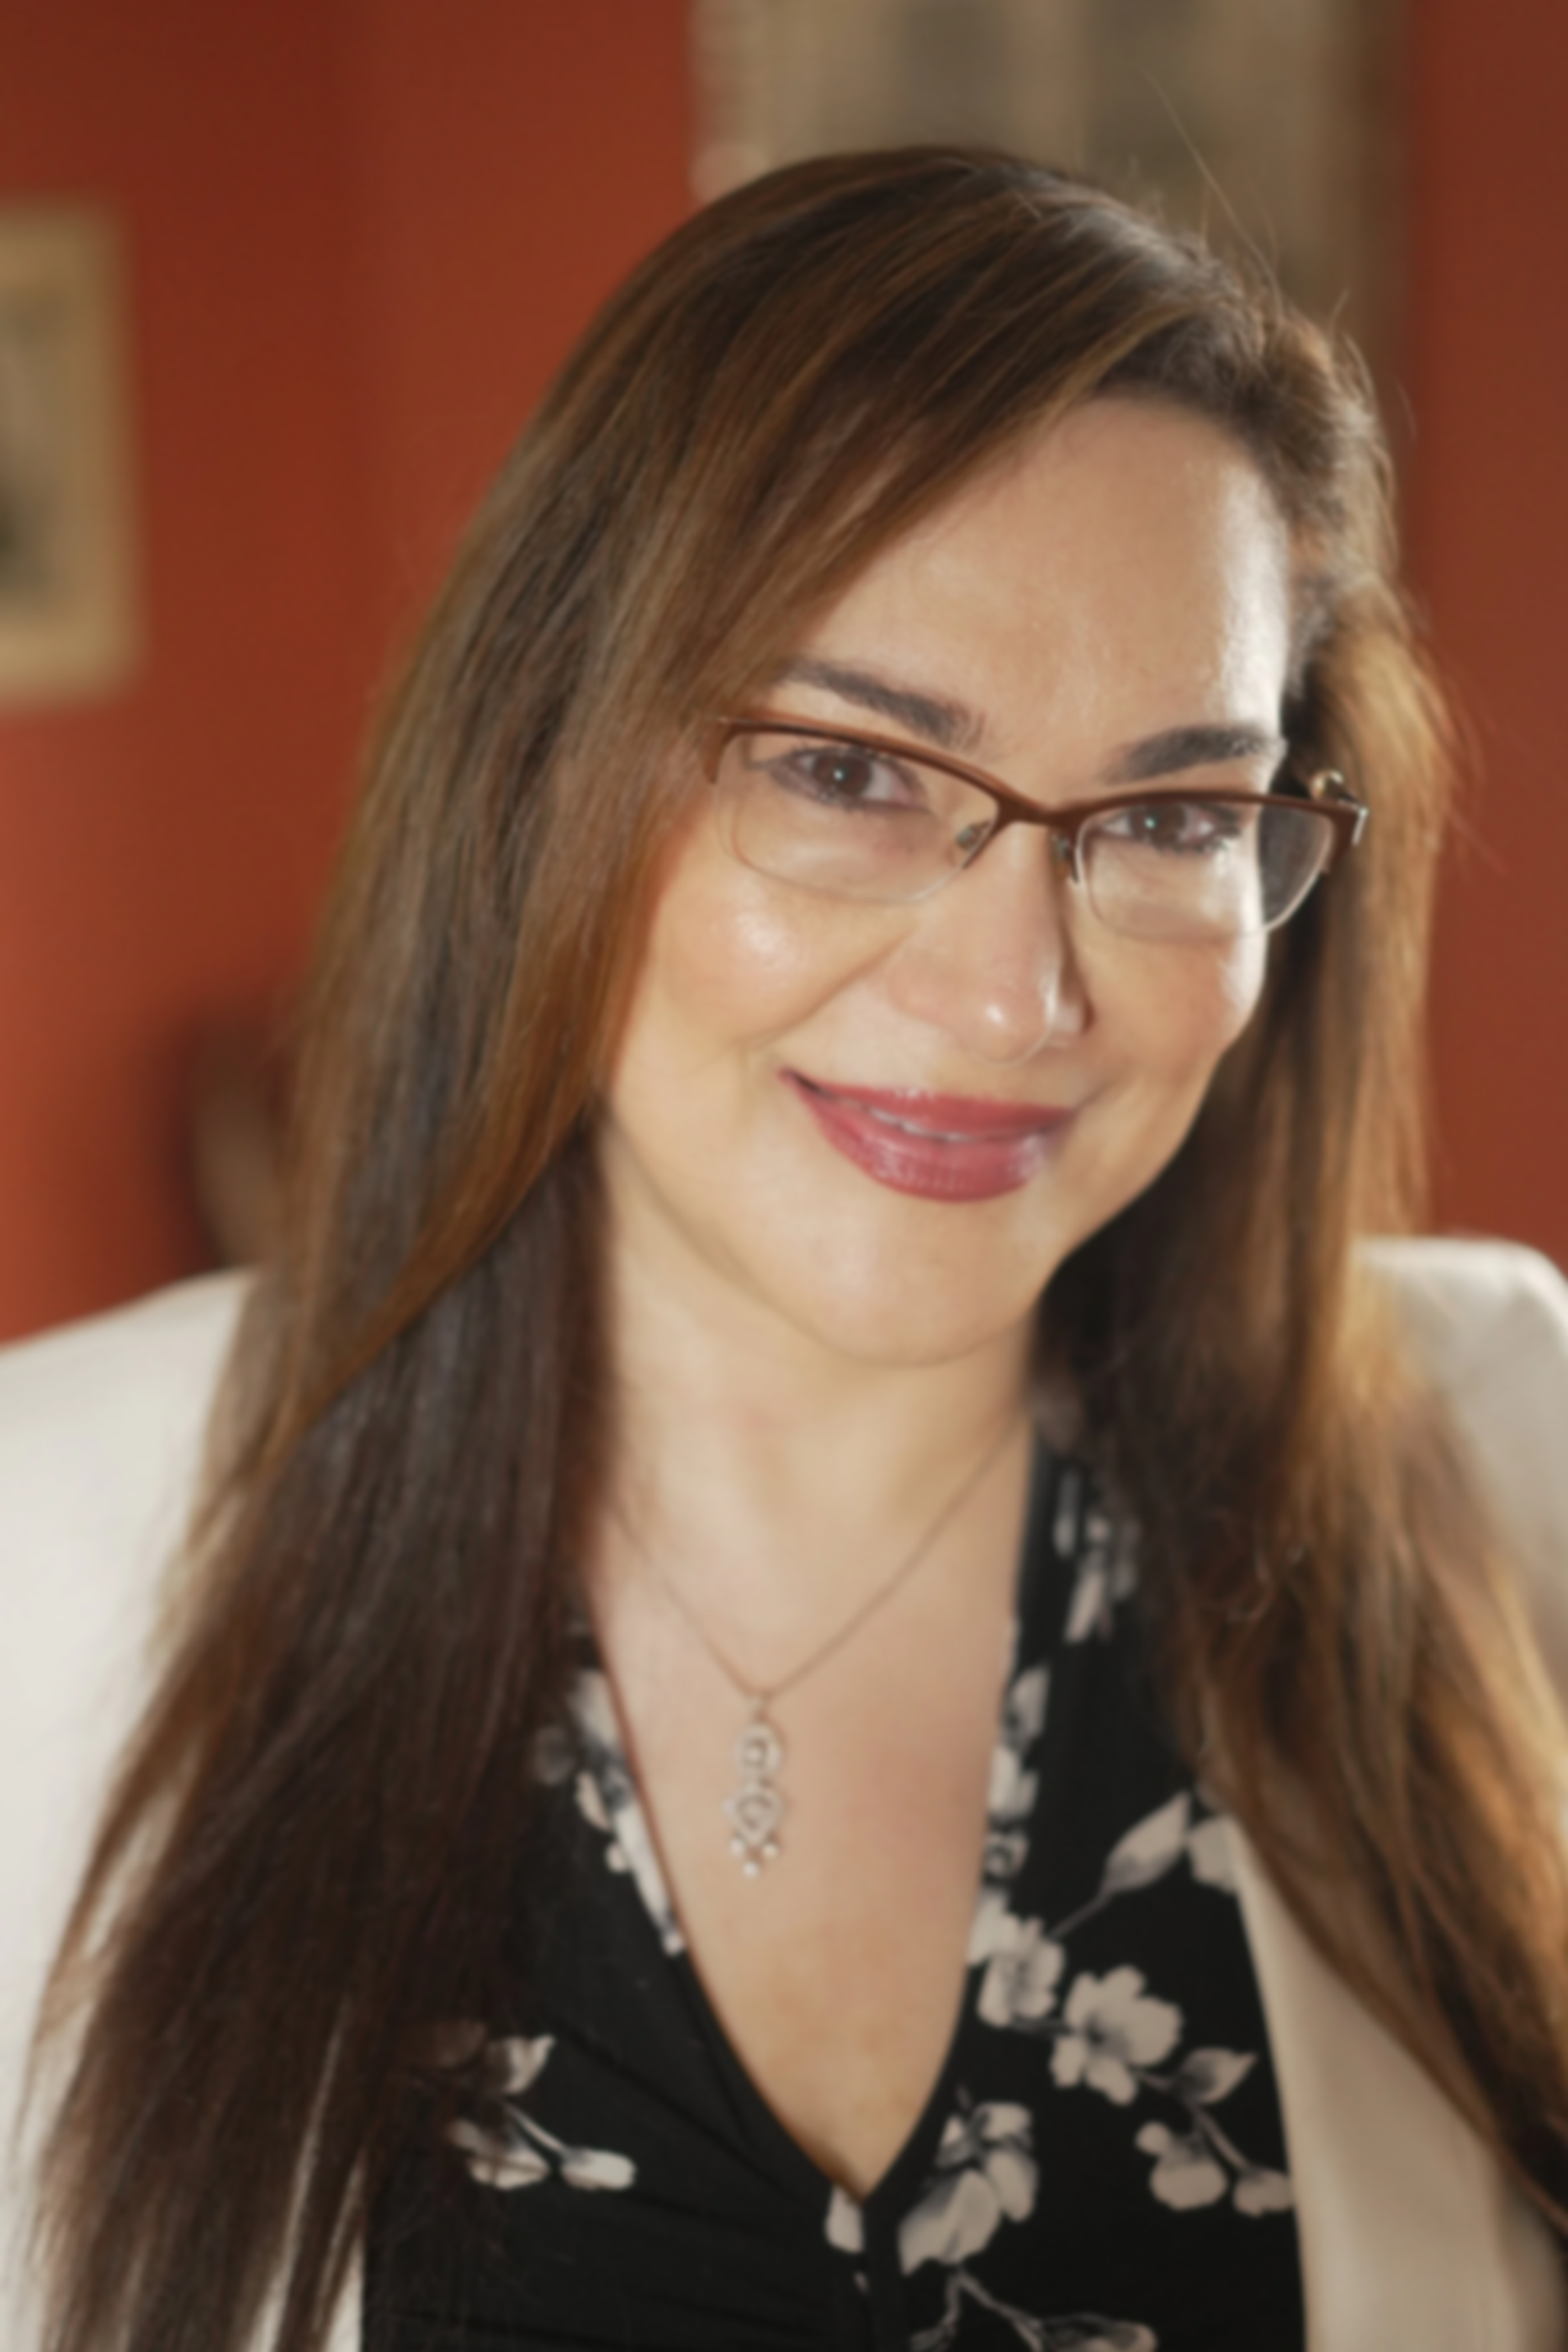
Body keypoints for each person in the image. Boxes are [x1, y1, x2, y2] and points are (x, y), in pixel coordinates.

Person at [3, 147, 1568, 2352]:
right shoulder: (34, 1546)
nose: (1016, 994)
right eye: (844, 773)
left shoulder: (1509, 1463)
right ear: (542, 761)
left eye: (1168, 818)